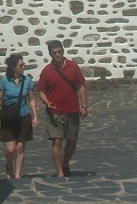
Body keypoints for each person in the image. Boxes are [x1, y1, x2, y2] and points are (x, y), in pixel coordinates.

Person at [37, 39, 87, 179]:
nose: (57, 55)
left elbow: (81, 86)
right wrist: (47, 103)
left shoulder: (73, 67)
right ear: (50, 54)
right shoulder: (47, 71)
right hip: (55, 112)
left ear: (63, 51)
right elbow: (41, 91)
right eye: (54, 53)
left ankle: (65, 163)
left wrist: (84, 106)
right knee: (57, 141)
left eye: (59, 51)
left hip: (72, 110)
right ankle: (60, 172)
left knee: (71, 141)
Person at [0, 53, 38, 179]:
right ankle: (9, 165)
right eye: (21, 65)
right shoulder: (4, 81)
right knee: (11, 150)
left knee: (20, 147)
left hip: (23, 117)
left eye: (23, 64)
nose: (23, 67)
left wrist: (35, 116)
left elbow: (31, 100)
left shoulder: (27, 81)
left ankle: (18, 174)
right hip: (9, 118)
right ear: (14, 67)